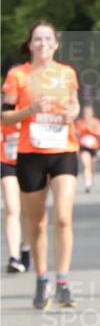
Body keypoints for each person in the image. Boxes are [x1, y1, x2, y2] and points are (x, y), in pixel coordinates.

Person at [1, 21, 79, 309]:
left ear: (55, 44)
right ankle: (42, 278)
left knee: (63, 217)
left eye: (48, 39)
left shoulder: (66, 73)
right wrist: (31, 109)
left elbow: (74, 105)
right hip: (30, 153)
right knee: (37, 222)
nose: (43, 43)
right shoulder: (18, 75)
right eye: (38, 39)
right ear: (30, 44)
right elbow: (5, 116)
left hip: (63, 149)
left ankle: (63, 282)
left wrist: (72, 112)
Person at [1, 117, 30, 273]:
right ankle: (14, 256)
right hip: (6, 163)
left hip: (31, 163)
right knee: (12, 209)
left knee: (27, 211)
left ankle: (25, 247)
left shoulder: (30, 110)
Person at [75, 104, 100, 193]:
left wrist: (91, 129)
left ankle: (90, 180)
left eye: (88, 112)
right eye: (85, 112)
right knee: (86, 164)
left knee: (91, 166)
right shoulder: (80, 122)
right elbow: (76, 134)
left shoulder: (96, 122)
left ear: (92, 113)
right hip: (83, 146)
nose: (86, 114)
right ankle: (87, 184)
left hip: (93, 146)